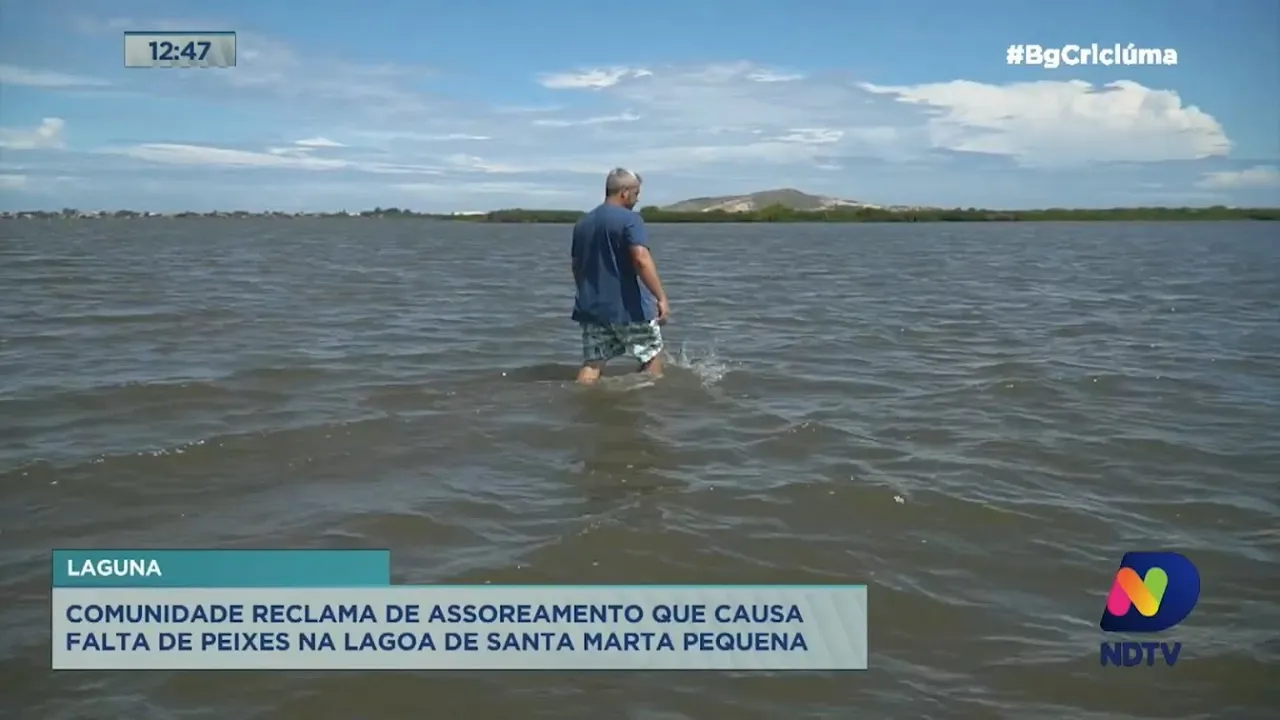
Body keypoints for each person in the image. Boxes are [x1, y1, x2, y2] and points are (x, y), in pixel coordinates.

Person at [570, 168, 670, 385]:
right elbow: (641, 259)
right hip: (630, 308)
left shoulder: (583, 223)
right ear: (624, 192)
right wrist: (660, 297)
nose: (638, 197)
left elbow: (576, 266)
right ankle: (648, 404)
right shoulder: (630, 219)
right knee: (651, 355)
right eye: (636, 192)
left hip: (593, 308)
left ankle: (580, 402)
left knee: (593, 362)